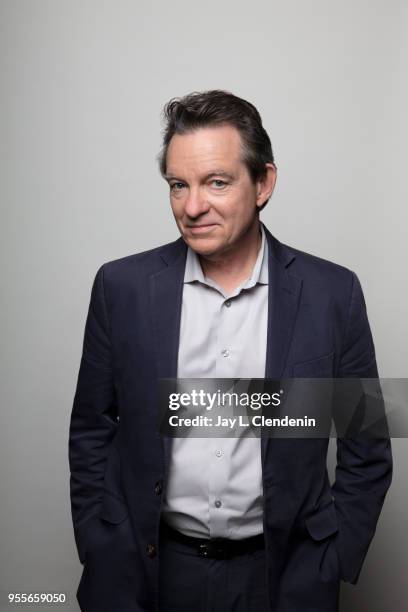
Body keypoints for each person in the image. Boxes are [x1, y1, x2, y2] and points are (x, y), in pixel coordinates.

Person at [69, 90, 393, 612]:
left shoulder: (334, 293)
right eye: (179, 185)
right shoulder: (120, 287)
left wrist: (327, 563)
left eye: (216, 182)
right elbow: (91, 429)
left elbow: (367, 444)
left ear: (263, 183)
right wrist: (100, 549)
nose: (193, 207)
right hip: (147, 573)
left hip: (284, 578)